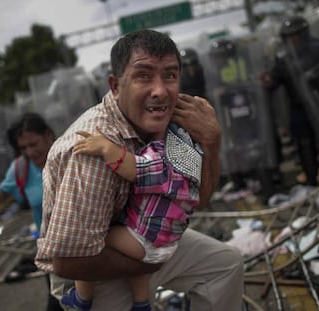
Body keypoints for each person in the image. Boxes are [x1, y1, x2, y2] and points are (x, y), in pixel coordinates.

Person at [35, 29, 244, 311]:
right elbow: (69, 260)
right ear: (116, 86)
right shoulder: (93, 151)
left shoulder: (170, 125)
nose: (160, 91)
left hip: (144, 235)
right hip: (89, 270)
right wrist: (149, 261)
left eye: (169, 76)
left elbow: (195, 199)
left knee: (225, 265)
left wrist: (212, 141)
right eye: (143, 75)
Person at [63, 121, 203, 311]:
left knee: (88, 240)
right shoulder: (190, 163)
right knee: (138, 262)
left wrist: (106, 147)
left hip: (143, 241)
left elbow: (137, 169)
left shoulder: (161, 158)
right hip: (166, 244)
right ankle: (141, 302)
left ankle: (81, 298)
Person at [0, 112, 63, 311]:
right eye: (23, 148)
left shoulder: (70, 158)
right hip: (52, 254)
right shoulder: (21, 168)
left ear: (48, 134)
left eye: (33, 144)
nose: (29, 152)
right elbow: (3, 191)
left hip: (88, 249)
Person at [261, 16, 319, 186]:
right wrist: (267, 81)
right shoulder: (284, 59)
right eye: (289, 36)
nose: (293, 39)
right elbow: (274, 79)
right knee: (304, 143)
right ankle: (311, 180)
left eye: (296, 35)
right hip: (300, 106)